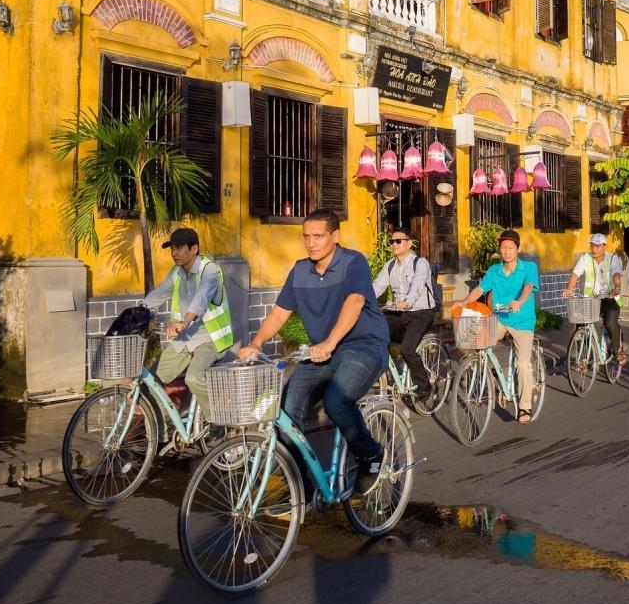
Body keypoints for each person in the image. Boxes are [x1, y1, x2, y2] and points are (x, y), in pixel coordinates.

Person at [238, 209, 389, 494]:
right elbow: (280, 313)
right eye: (306, 237)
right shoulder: (300, 270)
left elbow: (355, 302)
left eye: (318, 236)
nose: (311, 243)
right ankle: (302, 483)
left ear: (335, 236)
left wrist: (331, 342)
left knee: (337, 401)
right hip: (321, 353)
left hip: (363, 346)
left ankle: (370, 454)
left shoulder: (352, 262)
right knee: (284, 411)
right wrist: (256, 344)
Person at [141, 227, 235, 421]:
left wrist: (183, 322)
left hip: (210, 340)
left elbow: (201, 299)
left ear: (194, 249)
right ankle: (157, 429)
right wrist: (137, 311)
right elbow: (160, 293)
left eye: (179, 248)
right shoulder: (176, 272)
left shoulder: (210, 270)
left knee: (193, 378)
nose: (174, 253)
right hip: (183, 340)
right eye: (172, 249)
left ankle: (219, 421)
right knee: (151, 380)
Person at [459, 229, 541, 423]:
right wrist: (463, 303)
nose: (506, 251)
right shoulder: (495, 270)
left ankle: (525, 406)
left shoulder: (528, 267)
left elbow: (528, 287)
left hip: (522, 322)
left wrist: (519, 301)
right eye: (503, 248)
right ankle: (494, 374)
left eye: (510, 248)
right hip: (500, 319)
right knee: (475, 343)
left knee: (523, 364)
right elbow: (480, 289)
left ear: (517, 249)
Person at [372, 226, 436, 394]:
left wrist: (408, 301)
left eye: (398, 241)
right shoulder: (390, 266)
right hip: (398, 312)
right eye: (392, 241)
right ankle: (381, 375)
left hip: (421, 312)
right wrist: (359, 300)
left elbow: (417, 284)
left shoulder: (420, 263)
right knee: (374, 332)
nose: (394, 244)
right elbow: (377, 287)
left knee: (407, 349)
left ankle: (425, 387)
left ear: (409, 244)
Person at [562, 232, 626, 366]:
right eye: (592, 246)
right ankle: (584, 356)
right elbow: (575, 274)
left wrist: (617, 287)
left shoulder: (612, 258)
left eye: (597, 246)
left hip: (610, 298)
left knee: (610, 323)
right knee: (580, 323)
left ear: (604, 246)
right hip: (591, 299)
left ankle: (617, 350)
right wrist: (569, 289)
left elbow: (616, 274)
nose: (594, 249)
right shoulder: (585, 258)